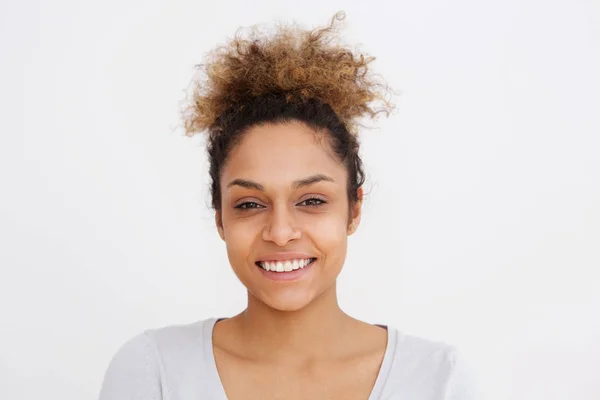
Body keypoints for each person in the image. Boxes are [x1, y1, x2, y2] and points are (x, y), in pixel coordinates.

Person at [98, 11, 476, 400]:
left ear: (353, 210)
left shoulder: (438, 379)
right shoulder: (152, 371)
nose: (280, 232)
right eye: (249, 204)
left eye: (312, 201)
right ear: (220, 219)